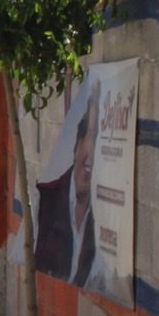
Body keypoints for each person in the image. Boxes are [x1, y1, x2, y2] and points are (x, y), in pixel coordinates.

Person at [33, 90, 98, 286]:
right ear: (77, 144)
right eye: (92, 135)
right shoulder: (46, 201)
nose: (94, 154)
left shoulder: (102, 214)